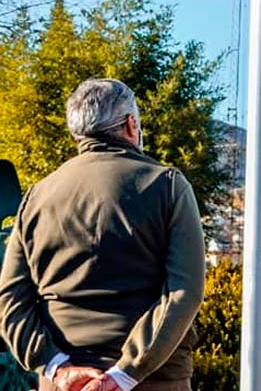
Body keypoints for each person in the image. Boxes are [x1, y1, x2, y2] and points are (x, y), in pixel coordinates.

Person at [0, 79, 205, 391]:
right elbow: (183, 291)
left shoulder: (36, 197)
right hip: (152, 380)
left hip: (64, 384)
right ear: (131, 124)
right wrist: (124, 373)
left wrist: (57, 367)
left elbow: (11, 302)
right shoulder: (168, 187)